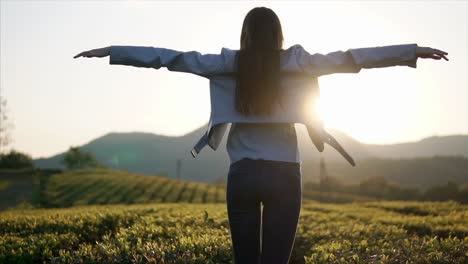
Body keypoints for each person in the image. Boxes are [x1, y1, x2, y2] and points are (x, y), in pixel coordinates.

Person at [74, 6, 448, 264]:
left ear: (246, 35)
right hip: (285, 175)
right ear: (279, 35)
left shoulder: (228, 64)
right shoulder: (297, 62)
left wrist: (114, 51)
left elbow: (171, 57)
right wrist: (411, 51)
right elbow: (352, 57)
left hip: (243, 175)